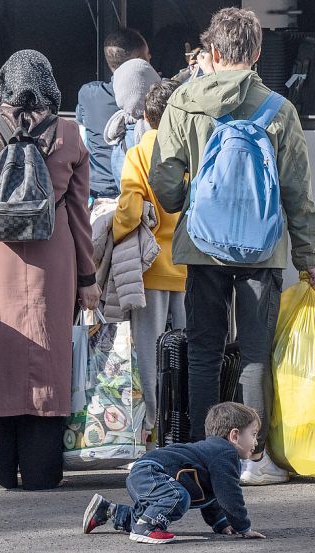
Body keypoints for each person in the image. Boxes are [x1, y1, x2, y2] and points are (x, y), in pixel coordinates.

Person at [149, 8, 315, 484]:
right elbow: (297, 194)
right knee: (253, 354)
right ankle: (252, 460)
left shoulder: (183, 102)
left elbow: (162, 180)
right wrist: (309, 258)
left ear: (215, 51)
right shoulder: (279, 109)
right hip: (263, 252)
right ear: (258, 54)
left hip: (202, 248)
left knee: (204, 351)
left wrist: (192, 203)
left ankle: (206, 455)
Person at [0, 50, 100, 490]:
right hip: (55, 263)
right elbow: (79, 218)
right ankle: (43, 471)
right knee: (49, 361)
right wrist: (88, 279)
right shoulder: (68, 134)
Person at [110, 79, 186, 439]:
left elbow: (128, 212)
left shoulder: (139, 153)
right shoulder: (192, 150)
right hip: (190, 267)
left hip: (152, 269)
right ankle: (187, 423)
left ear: (145, 115)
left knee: (149, 353)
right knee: (189, 350)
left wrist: (111, 227)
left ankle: (153, 428)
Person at [81, 402, 268, 543]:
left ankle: (107, 510)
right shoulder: (226, 453)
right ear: (234, 436)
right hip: (152, 471)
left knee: (146, 514)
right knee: (178, 496)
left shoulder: (213, 453)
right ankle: (147, 528)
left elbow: (213, 496)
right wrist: (243, 527)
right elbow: (229, 494)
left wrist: (220, 523)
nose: (256, 442)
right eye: (253, 434)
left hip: (145, 471)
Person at [76, 28, 149, 200]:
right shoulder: (152, 95)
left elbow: (82, 123)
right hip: (137, 191)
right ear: (138, 62)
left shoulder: (88, 94)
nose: (150, 59)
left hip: (97, 192)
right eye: (147, 56)